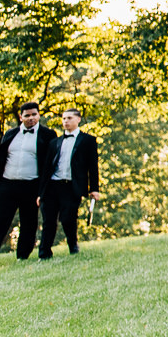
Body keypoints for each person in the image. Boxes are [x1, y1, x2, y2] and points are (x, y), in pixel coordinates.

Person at [0, 101, 59, 269]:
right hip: (6, 185)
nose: (31, 118)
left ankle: (22, 256)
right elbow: (0, 159)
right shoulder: (10, 134)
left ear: (39, 115)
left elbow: (51, 164)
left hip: (31, 185)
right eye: (27, 115)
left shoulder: (48, 135)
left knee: (29, 223)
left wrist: (45, 190)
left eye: (34, 114)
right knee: (0, 223)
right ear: (21, 117)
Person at [39, 108, 101, 258]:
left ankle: (73, 245)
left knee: (68, 218)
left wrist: (94, 189)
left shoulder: (88, 141)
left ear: (78, 119)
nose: (66, 121)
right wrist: (40, 193)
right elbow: (46, 168)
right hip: (52, 185)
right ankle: (44, 253)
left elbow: (93, 167)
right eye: (64, 118)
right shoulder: (55, 142)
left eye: (69, 118)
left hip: (71, 186)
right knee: (48, 220)